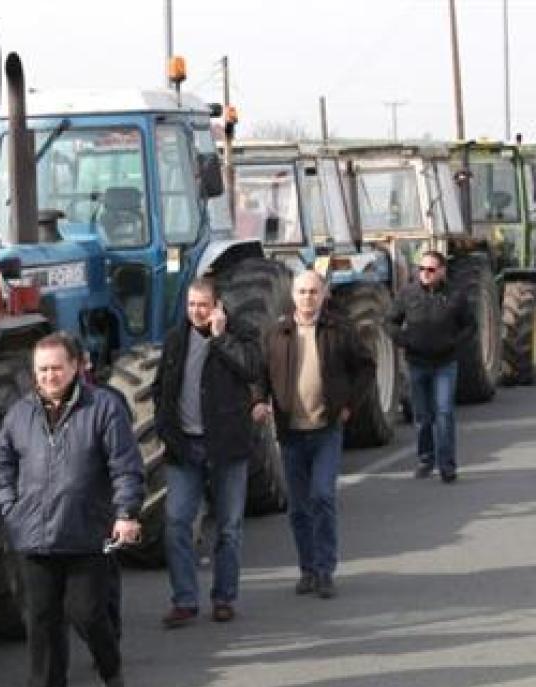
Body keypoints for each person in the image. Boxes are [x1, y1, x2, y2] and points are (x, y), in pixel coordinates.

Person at [0, 332, 145, 687]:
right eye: (42, 369)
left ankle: (110, 667)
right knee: (41, 621)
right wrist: (9, 507)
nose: (49, 376)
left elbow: (125, 466)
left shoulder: (104, 408)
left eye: (57, 367)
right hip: (34, 535)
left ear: (76, 366)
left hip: (86, 532)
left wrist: (126, 513)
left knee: (87, 613)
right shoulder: (19, 414)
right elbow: (1, 465)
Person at [254, 270, 374, 599]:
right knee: (298, 507)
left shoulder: (338, 330)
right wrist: (257, 401)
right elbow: (260, 373)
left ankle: (325, 570)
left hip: (326, 430)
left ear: (323, 296)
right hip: (291, 433)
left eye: (313, 292)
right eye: (302, 292)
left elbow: (366, 366)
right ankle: (307, 569)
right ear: (293, 296)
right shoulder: (277, 333)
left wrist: (350, 405)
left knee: (322, 496)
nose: (308, 298)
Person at [154, 277, 262, 626]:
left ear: (217, 305)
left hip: (226, 447)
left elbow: (251, 368)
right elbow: (161, 390)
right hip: (185, 448)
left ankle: (224, 597)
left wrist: (220, 338)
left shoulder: (240, 334)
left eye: (203, 305)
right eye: (191, 305)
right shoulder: (175, 340)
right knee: (176, 525)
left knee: (229, 527)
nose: (196, 311)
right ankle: (185, 599)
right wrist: (167, 432)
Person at [386, 250, 475, 483]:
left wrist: (455, 343)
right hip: (417, 363)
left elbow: (470, 325)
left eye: (430, 270)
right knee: (423, 416)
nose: (424, 274)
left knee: (444, 413)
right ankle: (426, 459)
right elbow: (390, 321)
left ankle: (447, 465)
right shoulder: (408, 294)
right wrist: (403, 340)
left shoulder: (456, 295)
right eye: (421, 269)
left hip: (445, 364)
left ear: (442, 271)